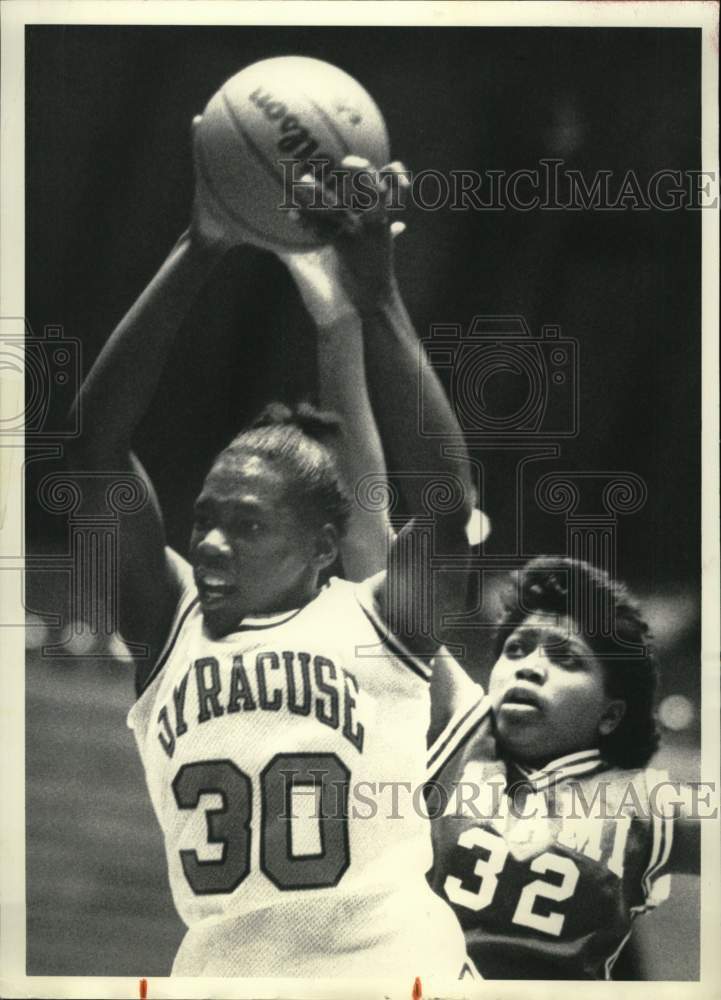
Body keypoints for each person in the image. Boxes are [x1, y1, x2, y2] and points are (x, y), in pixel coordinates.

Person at [66, 121, 476, 979]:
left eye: (246, 525)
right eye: (204, 517)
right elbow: (95, 447)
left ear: (324, 546)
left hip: (392, 971)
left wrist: (378, 298)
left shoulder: (384, 622)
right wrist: (200, 242)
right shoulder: (167, 628)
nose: (210, 541)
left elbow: (444, 501)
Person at [302, 204, 702, 980]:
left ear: (614, 709)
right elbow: (363, 522)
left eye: (563, 657)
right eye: (517, 648)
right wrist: (341, 321)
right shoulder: (456, 728)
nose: (526, 665)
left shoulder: (649, 805)